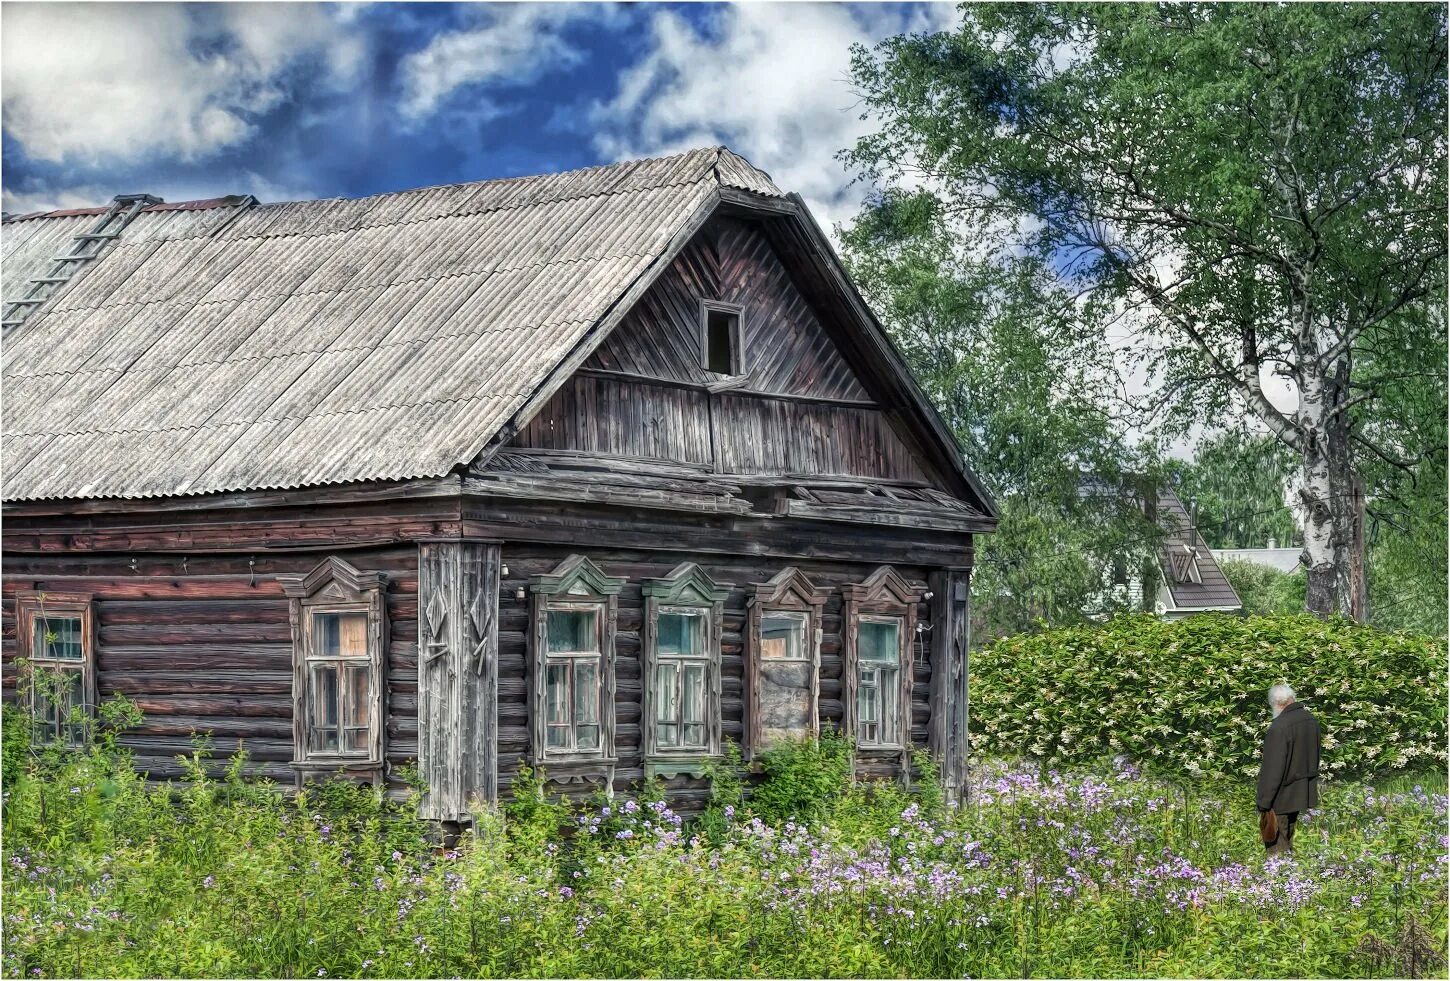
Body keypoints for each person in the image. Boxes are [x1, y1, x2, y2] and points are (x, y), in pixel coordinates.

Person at [1256, 683, 1321, 856]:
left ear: (1277, 703)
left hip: (1281, 797)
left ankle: (1281, 879)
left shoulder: (1279, 727)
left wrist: (1263, 802)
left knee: (1277, 847)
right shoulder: (1310, 720)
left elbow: (1273, 770)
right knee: (1288, 837)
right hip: (1301, 791)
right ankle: (1289, 876)